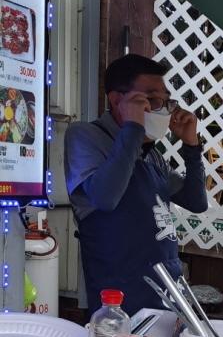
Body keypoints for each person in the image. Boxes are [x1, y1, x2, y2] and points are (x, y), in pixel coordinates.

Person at [64, 54, 208, 316]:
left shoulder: (152, 155)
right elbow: (105, 197)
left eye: (165, 102)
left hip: (168, 295)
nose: (161, 109)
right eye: (150, 100)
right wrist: (133, 128)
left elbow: (196, 202)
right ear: (116, 100)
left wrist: (191, 147)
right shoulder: (86, 136)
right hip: (119, 305)